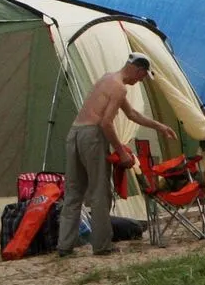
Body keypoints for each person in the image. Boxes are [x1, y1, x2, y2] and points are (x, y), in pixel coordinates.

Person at [57, 54, 179, 257]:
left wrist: (160, 126)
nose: (139, 81)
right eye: (141, 77)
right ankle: (102, 245)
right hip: (92, 136)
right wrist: (121, 152)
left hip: (74, 134)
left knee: (73, 192)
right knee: (99, 193)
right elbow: (105, 123)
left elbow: (133, 115)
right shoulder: (119, 87)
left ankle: (64, 246)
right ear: (138, 70)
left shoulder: (107, 79)